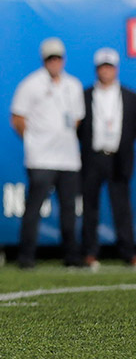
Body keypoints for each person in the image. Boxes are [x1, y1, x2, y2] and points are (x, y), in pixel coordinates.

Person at [10, 37, 86, 269]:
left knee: (69, 209)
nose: (54, 62)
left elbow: (77, 119)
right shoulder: (30, 84)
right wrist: (34, 141)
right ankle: (26, 256)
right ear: (44, 60)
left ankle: (72, 256)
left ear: (63, 59)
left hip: (68, 159)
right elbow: (17, 118)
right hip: (41, 158)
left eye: (58, 58)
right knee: (34, 208)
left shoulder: (73, 85)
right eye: (50, 58)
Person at [78, 48, 135, 269]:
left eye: (109, 66)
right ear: (97, 69)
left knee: (122, 207)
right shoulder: (85, 95)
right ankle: (90, 252)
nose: (106, 71)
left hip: (119, 157)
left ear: (116, 69)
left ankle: (128, 251)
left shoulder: (130, 97)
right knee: (90, 206)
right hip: (93, 156)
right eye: (102, 67)